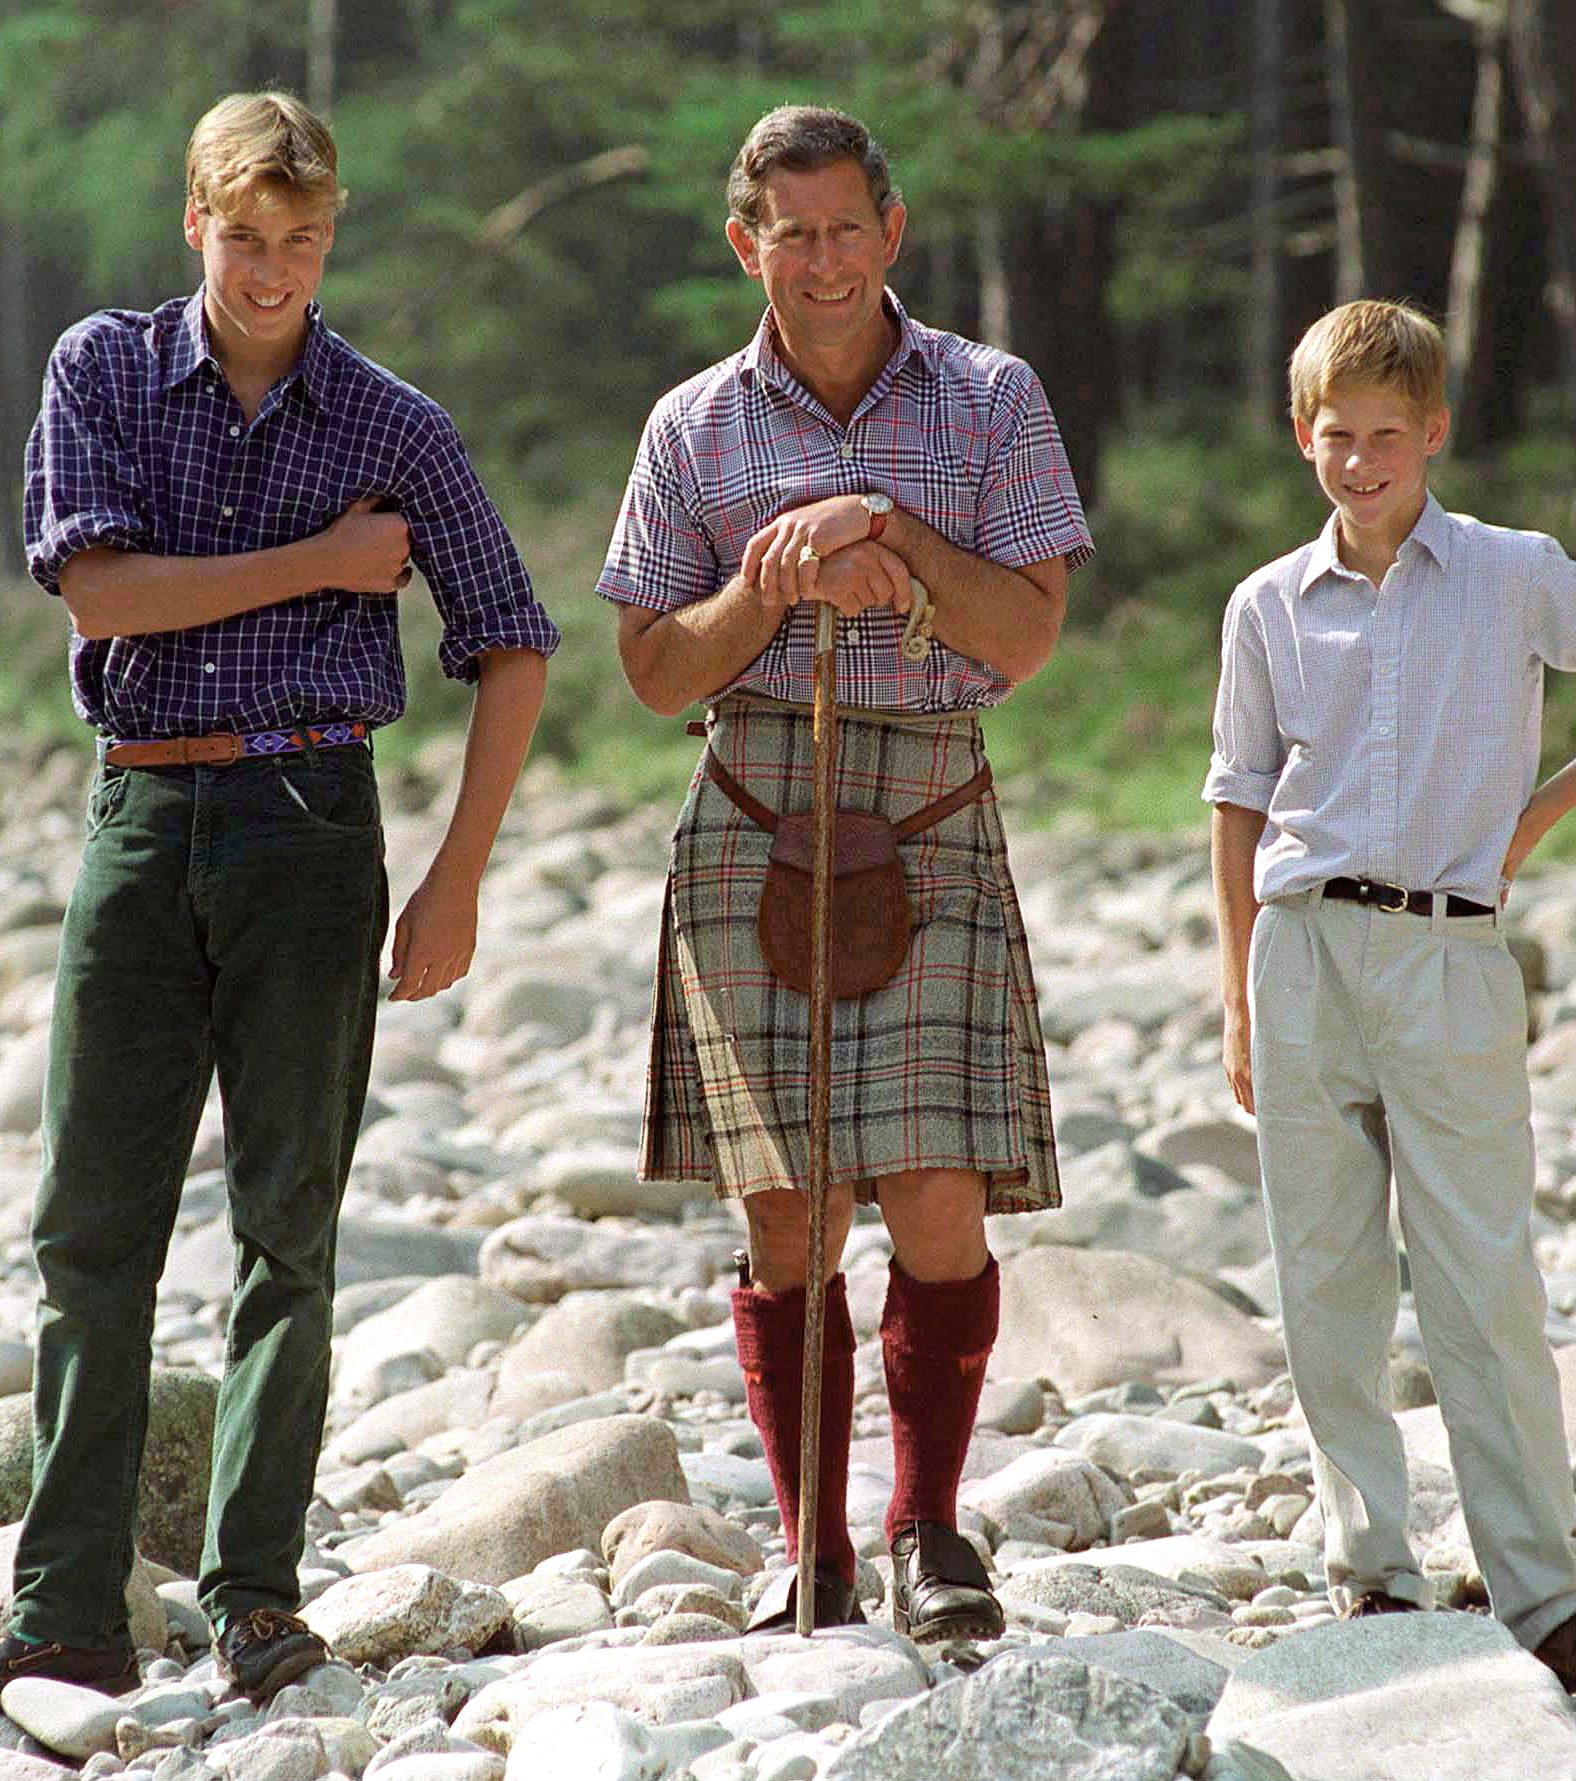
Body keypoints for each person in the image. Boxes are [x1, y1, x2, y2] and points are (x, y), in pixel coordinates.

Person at [0, 90, 557, 1731]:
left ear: (332, 236)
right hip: (142, 811)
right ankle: (65, 1622)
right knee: (90, 1236)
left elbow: (515, 636)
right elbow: (101, 587)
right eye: (245, 236)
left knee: (289, 1232)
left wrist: (458, 875)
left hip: (312, 823)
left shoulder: (391, 418)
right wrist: (325, 563)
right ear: (193, 221)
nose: (273, 270)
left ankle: (257, 1604)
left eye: (304, 240)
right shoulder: (102, 371)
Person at [598, 105, 1091, 1641]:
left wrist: (886, 527)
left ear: (892, 230)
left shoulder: (993, 397)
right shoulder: (692, 426)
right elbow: (650, 669)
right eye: (785, 233)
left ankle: (927, 1531)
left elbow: (1019, 635)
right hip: (754, 801)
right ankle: (808, 1543)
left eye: (841, 228)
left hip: (930, 800)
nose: (817, 261)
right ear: (745, 243)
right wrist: (778, 576)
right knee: (786, 1212)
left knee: (938, 1194)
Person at [1207, 299, 1576, 1704]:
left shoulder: (1509, 572)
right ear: (1300, 436)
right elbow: (1237, 799)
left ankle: (1546, 1593)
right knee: (1326, 1282)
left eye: (1385, 435)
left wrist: (1531, 823)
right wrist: (1237, 990)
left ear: (1433, 433)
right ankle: (1368, 1570)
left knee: (1481, 1278)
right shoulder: (1264, 605)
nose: (1358, 461)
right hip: (1299, 953)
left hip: (1447, 954)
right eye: (1333, 436)